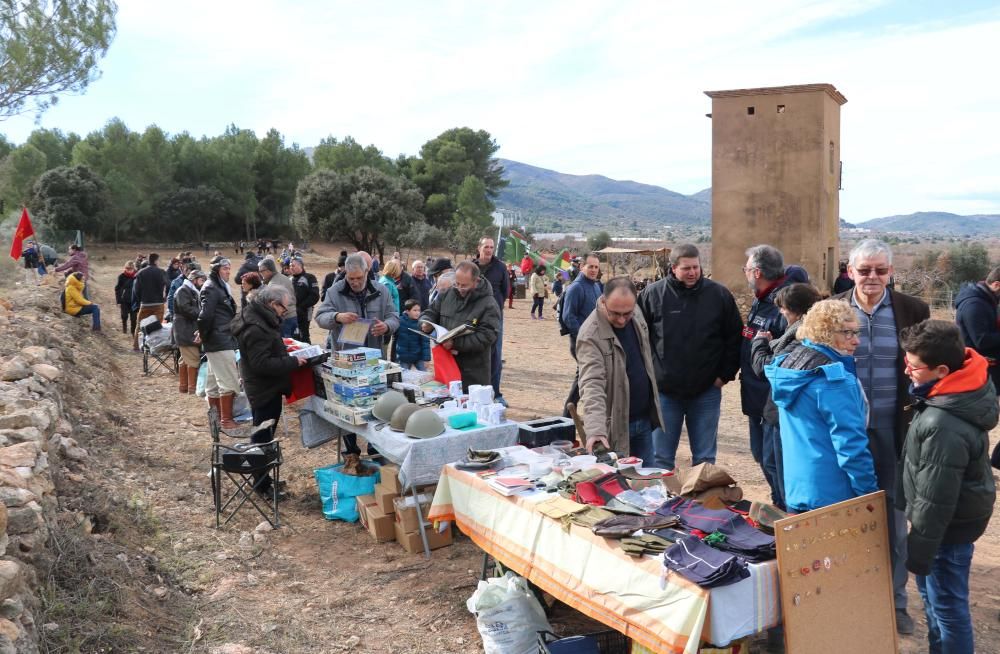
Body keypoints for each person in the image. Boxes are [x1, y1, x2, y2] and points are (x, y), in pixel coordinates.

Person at [833, 238, 930, 634]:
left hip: (895, 430)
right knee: (843, 515)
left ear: (891, 273)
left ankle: (895, 605)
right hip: (845, 433)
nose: (872, 277)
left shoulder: (913, 310)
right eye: (864, 270)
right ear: (850, 271)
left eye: (880, 270)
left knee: (893, 517)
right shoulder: (832, 309)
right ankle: (847, 600)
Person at [898, 320, 996, 654]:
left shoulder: (944, 424)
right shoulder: (948, 395)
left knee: (948, 610)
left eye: (913, 366)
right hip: (947, 524)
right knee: (936, 603)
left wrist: (920, 551)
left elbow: (935, 498)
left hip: (944, 530)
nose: (907, 371)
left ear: (941, 370)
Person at [765, 299, 878, 511]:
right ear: (826, 332)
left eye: (856, 333)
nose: (856, 341)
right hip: (835, 496)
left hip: (797, 488)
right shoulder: (834, 382)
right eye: (847, 333)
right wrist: (868, 494)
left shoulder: (790, 367)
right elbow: (851, 446)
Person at [638, 244, 743, 472]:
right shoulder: (652, 294)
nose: (693, 272)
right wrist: (648, 378)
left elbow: (734, 337)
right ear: (673, 268)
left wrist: (723, 376)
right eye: (686, 268)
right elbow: (638, 339)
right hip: (665, 393)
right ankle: (662, 503)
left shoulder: (719, 295)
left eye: (696, 267)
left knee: (705, 459)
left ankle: (702, 504)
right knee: (661, 458)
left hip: (706, 392)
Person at [231, 285, 308, 500]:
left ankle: (262, 479)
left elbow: (262, 353)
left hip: (263, 387)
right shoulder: (256, 327)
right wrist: (292, 361)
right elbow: (261, 363)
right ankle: (262, 485)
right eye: (284, 307)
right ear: (272, 304)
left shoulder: (258, 317)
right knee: (263, 438)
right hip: (264, 389)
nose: (285, 312)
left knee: (263, 436)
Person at [750, 283, 822, 510]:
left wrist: (759, 344)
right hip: (776, 413)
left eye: (783, 309)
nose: (780, 313)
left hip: (786, 415)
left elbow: (767, 369)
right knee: (771, 463)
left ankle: (785, 518)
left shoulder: (804, 336)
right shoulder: (793, 334)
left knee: (782, 471)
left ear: (794, 310)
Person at [577, 277, 663, 461]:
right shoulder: (590, 335)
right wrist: (596, 430)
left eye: (627, 313)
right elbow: (591, 383)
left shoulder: (637, 313)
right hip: (616, 427)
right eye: (615, 313)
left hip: (644, 419)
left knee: (648, 481)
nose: (622, 320)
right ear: (602, 301)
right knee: (619, 485)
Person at [739, 245, 795, 503]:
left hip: (771, 403)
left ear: (757, 272)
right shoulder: (762, 299)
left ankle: (784, 515)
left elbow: (785, 359)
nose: (745, 274)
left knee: (776, 465)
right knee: (762, 457)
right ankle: (778, 507)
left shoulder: (783, 306)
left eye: (747, 269)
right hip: (755, 397)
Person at [420, 261, 500, 391]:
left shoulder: (489, 304)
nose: (459, 288)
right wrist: (426, 322)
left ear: (476, 281)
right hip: (446, 365)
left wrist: (456, 343)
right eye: (457, 284)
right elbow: (431, 312)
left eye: (464, 285)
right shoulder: (446, 294)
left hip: (473, 373)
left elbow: (487, 336)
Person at [315, 253, 398, 352]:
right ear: (346, 273)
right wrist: (337, 317)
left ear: (367, 271)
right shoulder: (334, 292)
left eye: (359, 278)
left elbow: (393, 316)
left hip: (374, 357)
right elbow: (320, 317)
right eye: (351, 278)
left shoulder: (382, 291)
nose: (355, 282)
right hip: (344, 358)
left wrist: (387, 326)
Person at [198, 256, 242, 431]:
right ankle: (226, 421)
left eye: (229, 268)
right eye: (225, 269)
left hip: (219, 338)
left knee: (213, 384)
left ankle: (216, 422)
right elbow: (204, 316)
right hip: (220, 340)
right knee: (228, 382)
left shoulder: (219, 287)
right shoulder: (211, 288)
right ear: (216, 270)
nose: (228, 272)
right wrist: (203, 334)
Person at [561, 253, 603, 413]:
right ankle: (567, 416)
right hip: (581, 342)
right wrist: (584, 338)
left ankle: (568, 415)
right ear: (581, 266)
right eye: (590, 266)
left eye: (596, 267)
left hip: (596, 340)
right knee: (585, 377)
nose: (593, 270)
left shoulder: (596, 286)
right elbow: (568, 317)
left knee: (584, 378)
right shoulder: (576, 287)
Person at [474, 237, 511, 403]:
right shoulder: (471, 267)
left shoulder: (500, 267)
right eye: (486, 247)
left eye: (491, 247)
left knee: (495, 356)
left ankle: (496, 393)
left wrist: (496, 307)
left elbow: (506, 291)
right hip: (473, 318)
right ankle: (475, 392)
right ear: (479, 248)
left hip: (495, 319)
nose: (489, 250)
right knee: (474, 354)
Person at [954, 266, 1000, 390]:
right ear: (996, 285)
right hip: (980, 371)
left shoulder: (987, 300)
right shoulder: (974, 305)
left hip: (987, 367)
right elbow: (981, 340)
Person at [173, 270, 207, 394]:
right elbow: (186, 309)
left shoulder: (190, 290)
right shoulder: (183, 291)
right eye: (201, 280)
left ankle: (184, 386)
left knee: (185, 358)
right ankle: (192, 388)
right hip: (185, 330)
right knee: (192, 358)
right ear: (194, 279)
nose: (202, 283)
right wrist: (204, 313)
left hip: (186, 329)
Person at [131, 253, 169, 351]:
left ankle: (136, 347)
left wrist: (141, 299)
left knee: (139, 325)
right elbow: (168, 285)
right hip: (159, 304)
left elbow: (136, 290)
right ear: (156, 261)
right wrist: (164, 298)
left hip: (145, 303)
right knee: (157, 326)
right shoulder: (161, 272)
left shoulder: (141, 273)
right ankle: (155, 347)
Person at [258, 258, 297, 337]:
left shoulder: (273, 284)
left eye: (261, 271)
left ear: (268, 271)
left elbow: (274, 307)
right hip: (292, 315)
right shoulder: (284, 278)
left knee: (284, 345)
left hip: (284, 318)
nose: (260, 274)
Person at [289, 258, 319, 344]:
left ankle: (310, 355)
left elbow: (315, 296)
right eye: (290, 266)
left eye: (293, 265)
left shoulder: (310, 277)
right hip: (291, 313)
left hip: (305, 312)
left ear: (300, 266)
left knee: (304, 335)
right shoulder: (290, 279)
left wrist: (301, 307)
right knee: (294, 336)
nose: (291, 267)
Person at [396, 299, 430, 371]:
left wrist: (426, 359)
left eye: (419, 310)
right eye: (415, 310)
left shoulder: (422, 324)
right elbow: (394, 339)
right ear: (407, 311)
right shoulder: (399, 321)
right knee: (404, 378)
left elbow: (425, 343)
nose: (417, 313)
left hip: (418, 357)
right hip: (403, 358)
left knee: (425, 376)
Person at [114, 261, 139, 336]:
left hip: (134, 300)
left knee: (134, 318)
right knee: (124, 315)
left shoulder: (137, 276)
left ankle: (133, 332)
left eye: (130, 269)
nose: (128, 270)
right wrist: (118, 300)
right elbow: (117, 289)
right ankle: (124, 326)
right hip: (124, 300)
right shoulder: (121, 276)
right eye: (127, 269)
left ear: (133, 269)